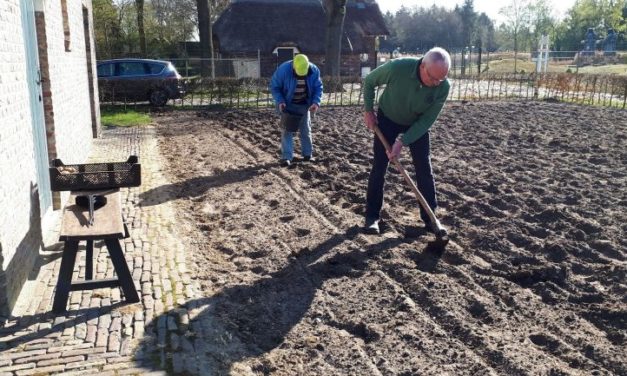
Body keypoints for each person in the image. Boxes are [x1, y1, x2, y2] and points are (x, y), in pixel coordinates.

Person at [362, 47, 451, 235]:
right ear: (422, 66)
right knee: (379, 166)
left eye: (440, 79)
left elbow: (427, 120)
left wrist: (403, 141)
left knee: (424, 169)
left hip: (416, 124)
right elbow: (370, 82)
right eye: (432, 77)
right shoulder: (398, 68)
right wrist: (368, 110)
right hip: (387, 119)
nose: (435, 83)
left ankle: (431, 218)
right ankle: (372, 217)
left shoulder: (443, 87)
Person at [270, 54, 323, 167]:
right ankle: (286, 157)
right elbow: (275, 87)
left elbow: (318, 87)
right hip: (287, 104)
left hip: (305, 104)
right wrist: (280, 101)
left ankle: (308, 155)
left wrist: (315, 102)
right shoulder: (283, 70)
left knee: (306, 130)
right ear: (293, 67)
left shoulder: (314, 70)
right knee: (287, 131)